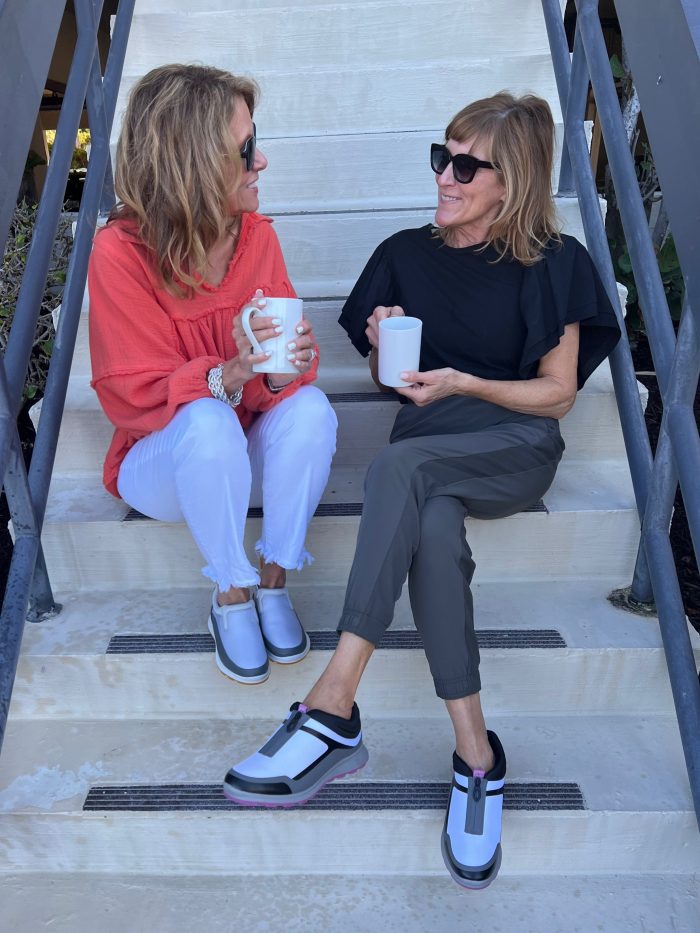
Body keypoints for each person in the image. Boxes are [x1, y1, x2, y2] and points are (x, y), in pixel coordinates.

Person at [223, 93, 620, 888]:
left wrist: (468, 381)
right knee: (431, 530)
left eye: (467, 165)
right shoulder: (403, 252)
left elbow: (558, 394)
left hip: (512, 443)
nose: (445, 174)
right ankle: (478, 756)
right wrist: (378, 347)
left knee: (397, 472)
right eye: (441, 155)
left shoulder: (555, 260)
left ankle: (334, 705)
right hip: (427, 442)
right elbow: (393, 381)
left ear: (513, 181)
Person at [88, 64, 337, 686]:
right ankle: (230, 593)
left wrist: (278, 378)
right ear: (193, 163)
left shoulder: (257, 238)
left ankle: (274, 579)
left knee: (311, 410)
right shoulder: (118, 254)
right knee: (204, 418)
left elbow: (272, 384)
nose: (263, 161)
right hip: (164, 462)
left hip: (240, 455)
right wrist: (224, 374)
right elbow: (132, 398)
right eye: (247, 148)